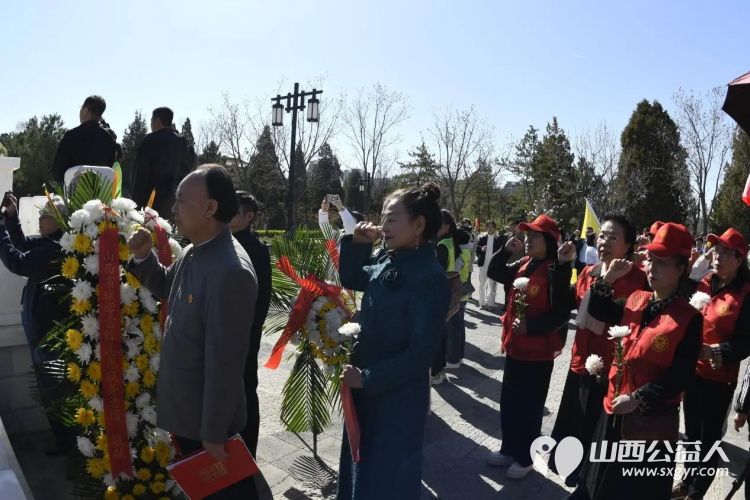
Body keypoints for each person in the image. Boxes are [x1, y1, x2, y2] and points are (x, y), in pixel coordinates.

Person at [127, 165, 258, 499]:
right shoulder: (193, 251)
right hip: (189, 415)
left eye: (182, 200)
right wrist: (143, 257)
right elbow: (167, 286)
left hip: (207, 426)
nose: (174, 208)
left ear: (210, 208)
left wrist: (213, 431)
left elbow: (226, 363)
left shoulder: (231, 271)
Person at [570, 222, 702, 500]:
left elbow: (681, 376)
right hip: (614, 409)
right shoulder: (636, 299)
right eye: (650, 259)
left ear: (681, 268)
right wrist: (607, 278)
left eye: (662, 262)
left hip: (648, 423)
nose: (652, 268)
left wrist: (639, 398)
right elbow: (599, 309)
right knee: (597, 483)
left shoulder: (689, 318)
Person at [336, 183, 451, 500]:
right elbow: (352, 278)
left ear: (418, 224)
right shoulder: (388, 258)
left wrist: (367, 378)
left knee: (387, 476)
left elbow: (421, 354)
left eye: (392, 219)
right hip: (365, 386)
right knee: (360, 464)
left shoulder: (430, 277)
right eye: (383, 218)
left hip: (396, 398)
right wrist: (357, 244)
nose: (383, 226)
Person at [549, 214, 647, 486]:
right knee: (576, 418)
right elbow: (564, 304)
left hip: (610, 368)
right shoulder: (588, 272)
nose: (604, 241)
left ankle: (588, 479)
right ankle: (572, 468)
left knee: (596, 426)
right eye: (602, 235)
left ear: (628, 245)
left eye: (613, 237)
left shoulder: (639, 280)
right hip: (581, 359)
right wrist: (562, 265)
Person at [486, 214, 572, 479]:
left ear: (549, 241)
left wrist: (532, 327)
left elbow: (561, 314)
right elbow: (494, 272)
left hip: (538, 354)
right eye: (527, 235)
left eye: (535, 236)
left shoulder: (556, 270)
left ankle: (525, 458)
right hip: (516, 348)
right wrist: (504, 251)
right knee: (510, 401)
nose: (528, 240)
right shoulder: (523, 263)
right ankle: (509, 449)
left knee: (530, 407)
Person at [672, 228, 750, 499]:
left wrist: (715, 352)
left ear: (740, 259)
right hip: (693, 373)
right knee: (692, 435)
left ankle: (696, 493)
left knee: (708, 441)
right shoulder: (705, 281)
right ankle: (686, 481)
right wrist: (694, 272)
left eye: (726, 253)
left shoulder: (745, 294)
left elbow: (745, 343)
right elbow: (681, 303)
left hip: (719, 380)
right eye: (716, 250)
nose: (718, 257)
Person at [0, 193, 75, 455]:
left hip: (50, 334)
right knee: (49, 393)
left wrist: (0, 231)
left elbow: (18, 262)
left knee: (56, 394)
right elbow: (21, 244)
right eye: (41, 215)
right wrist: (11, 219)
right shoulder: (49, 242)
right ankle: (64, 444)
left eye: (46, 216)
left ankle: (71, 448)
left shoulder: (57, 248)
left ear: (60, 221)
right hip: (40, 332)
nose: (41, 220)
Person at [230, 191, 271, 461]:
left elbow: (262, 298)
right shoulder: (222, 241)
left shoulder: (255, 249)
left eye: (235, 211)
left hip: (244, 336)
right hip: (227, 335)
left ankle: (247, 453)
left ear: (249, 217)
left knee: (245, 390)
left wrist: (249, 335)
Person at [131, 107, 196, 217]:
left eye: (151, 121)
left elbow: (140, 174)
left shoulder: (150, 140)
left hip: (150, 200)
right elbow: (189, 166)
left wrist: (135, 203)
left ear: (157, 121)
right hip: (173, 201)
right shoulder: (182, 142)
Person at [52, 95, 118, 182]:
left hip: (74, 190)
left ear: (86, 110)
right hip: (101, 190)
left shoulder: (71, 136)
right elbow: (109, 167)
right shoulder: (109, 139)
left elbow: (57, 171)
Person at [431, 210, 462, 384]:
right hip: (450, 289)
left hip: (441, 291)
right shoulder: (450, 241)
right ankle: (440, 369)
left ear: (446, 227)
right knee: (443, 333)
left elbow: (438, 271)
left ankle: (435, 372)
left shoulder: (442, 244)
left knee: (437, 334)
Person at [476, 221, 503, 308]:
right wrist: (481, 249)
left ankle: (490, 304)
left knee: (492, 285)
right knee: (482, 284)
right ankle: (482, 303)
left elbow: (501, 252)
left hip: (493, 266)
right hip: (483, 265)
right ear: (486, 228)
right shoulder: (482, 237)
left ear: (495, 228)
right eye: (488, 227)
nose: (490, 228)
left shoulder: (498, 239)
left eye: (492, 227)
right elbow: (477, 249)